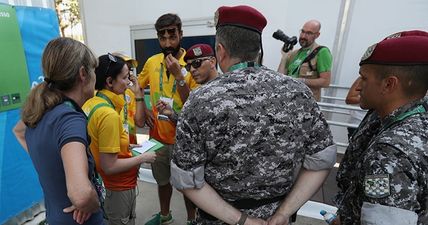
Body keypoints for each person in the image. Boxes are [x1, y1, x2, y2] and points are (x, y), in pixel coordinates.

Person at [170, 5, 337, 225]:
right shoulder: (298, 92)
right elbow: (323, 160)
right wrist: (283, 213)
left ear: (220, 51)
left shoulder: (201, 100)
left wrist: (243, 220)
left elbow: (187, 180)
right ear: (259, 50)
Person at [334, 30, 428, 225]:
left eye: (364, 78)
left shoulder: (390, 152)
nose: (358, 87)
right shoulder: (416, 120)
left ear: (388, 84)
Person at [12, 37, 104, 224]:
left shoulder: (42, 110)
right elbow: (81, 195)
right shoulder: (69, 120)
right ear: (83, 74)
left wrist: (51, 167)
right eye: (94, 70)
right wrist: (94, 202)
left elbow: (19, 131)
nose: (96, 76)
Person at [137, 13, 199, 225]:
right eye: (162, 38)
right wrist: (143, 109)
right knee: (162, 182)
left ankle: (192, 220)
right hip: (157, 138)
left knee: (187, 185)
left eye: (172, 36)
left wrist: (180, 77)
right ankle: (165, 216)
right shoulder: (152, 61)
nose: (167, 43)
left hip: (184, 139)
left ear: (181, 34)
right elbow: (137, 84)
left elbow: (194, 107)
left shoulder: (193, 64)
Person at [82, 53, 156, 225]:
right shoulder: (108, 114)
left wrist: (129, 146)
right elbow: (109, 166)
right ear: (109, 82)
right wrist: (143, 157)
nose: (129, 82)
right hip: (117, 186)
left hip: (107, 184)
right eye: (124, 78)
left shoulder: (93, 103)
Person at [156, 43, 218, 123]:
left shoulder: (227, 89)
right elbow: (193, 124)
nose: (192, 70)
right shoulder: (197, 93)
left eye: (197, 63)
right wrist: (171, 114)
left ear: (212, 62)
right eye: (188, 66)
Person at [277, 19, 333, 101]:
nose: (303, 36)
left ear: (317, 35)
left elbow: (325, 82)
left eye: (309, 33)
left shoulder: (322, 52)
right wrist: (284, 57)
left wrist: (302, 81)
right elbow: (280, 78)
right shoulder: (294, 53)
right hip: (288, 100)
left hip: (307, 103)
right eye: (302, 31)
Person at [112, 52, 146, 145]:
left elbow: (140, 123)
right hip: (113, 149)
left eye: (129, 71)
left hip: (130, 146)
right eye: (124, 72)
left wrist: (138, 95)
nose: (129, 76)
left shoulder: (131, 92)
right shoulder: (102, 96)